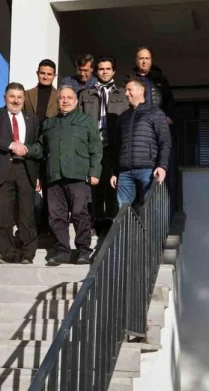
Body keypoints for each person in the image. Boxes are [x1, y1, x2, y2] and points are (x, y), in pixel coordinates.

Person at [0, 82, 42, 264]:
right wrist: (10, 144)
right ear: (4, 97)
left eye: (19, 97)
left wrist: (29, 154)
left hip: (26, 171)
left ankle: (27, 254)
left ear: (24, 99)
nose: (16, 100)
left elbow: (39, 146)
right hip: (2, 171)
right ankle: (7, 254)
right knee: (3, 214)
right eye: (12, 96)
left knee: (26, 215)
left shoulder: (32, 119)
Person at [39, 86, 102, 265]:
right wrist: (24, 149)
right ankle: (62, 252)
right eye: (62, 98)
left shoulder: (86, 121)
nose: (65, 101)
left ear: (76, 101)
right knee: (56, 216)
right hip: (54, 176)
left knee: (79, 213)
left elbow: (96, 148)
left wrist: (94, 172)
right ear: (58, 101)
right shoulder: (48, 123)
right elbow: (40, 148)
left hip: (78, 175)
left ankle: (83, 251)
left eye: (69, 98)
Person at [78, 56, 129, 233]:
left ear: (113, 71)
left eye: (108, 69)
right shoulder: (85, 94)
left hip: (114, 144)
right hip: (93, 145)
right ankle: (98, 220)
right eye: (101, 69)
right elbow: (80, 121)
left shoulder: (123, 93)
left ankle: (111, 219)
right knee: (95, 183)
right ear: (95, 71)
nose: (105, 72)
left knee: (113, 182)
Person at [110, 77, 171, 207]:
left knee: (152, 208)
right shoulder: (123, 117)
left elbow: (165, 141)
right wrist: (115, 172)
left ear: (141, 90)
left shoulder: (155, 113)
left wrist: (162, 166)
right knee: (123, 211)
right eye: (126, 90)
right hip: (125, 172)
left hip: (148, 170)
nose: (126, 94)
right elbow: (117, 146)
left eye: (129, 90)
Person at [24, 59, 59, 236]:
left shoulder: (59, 97)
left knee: (49, 187)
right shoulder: (27, 94)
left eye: (49, 74)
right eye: (42, 73)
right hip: (30, 145)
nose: (45, 76)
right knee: (28, 184)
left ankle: (46, 224)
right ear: (38, 73)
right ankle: (28, 224)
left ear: (54, 76)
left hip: (50, 146)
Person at [130, 47, 176, 124]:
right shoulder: (130, 79)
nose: (144, 61)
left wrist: (169, 116)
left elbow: (169, 99)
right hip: (138, 121)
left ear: (151, 60)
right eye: (141, 58)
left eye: (147, 58)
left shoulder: (160, 78)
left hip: (158, 120)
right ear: (136, 60)